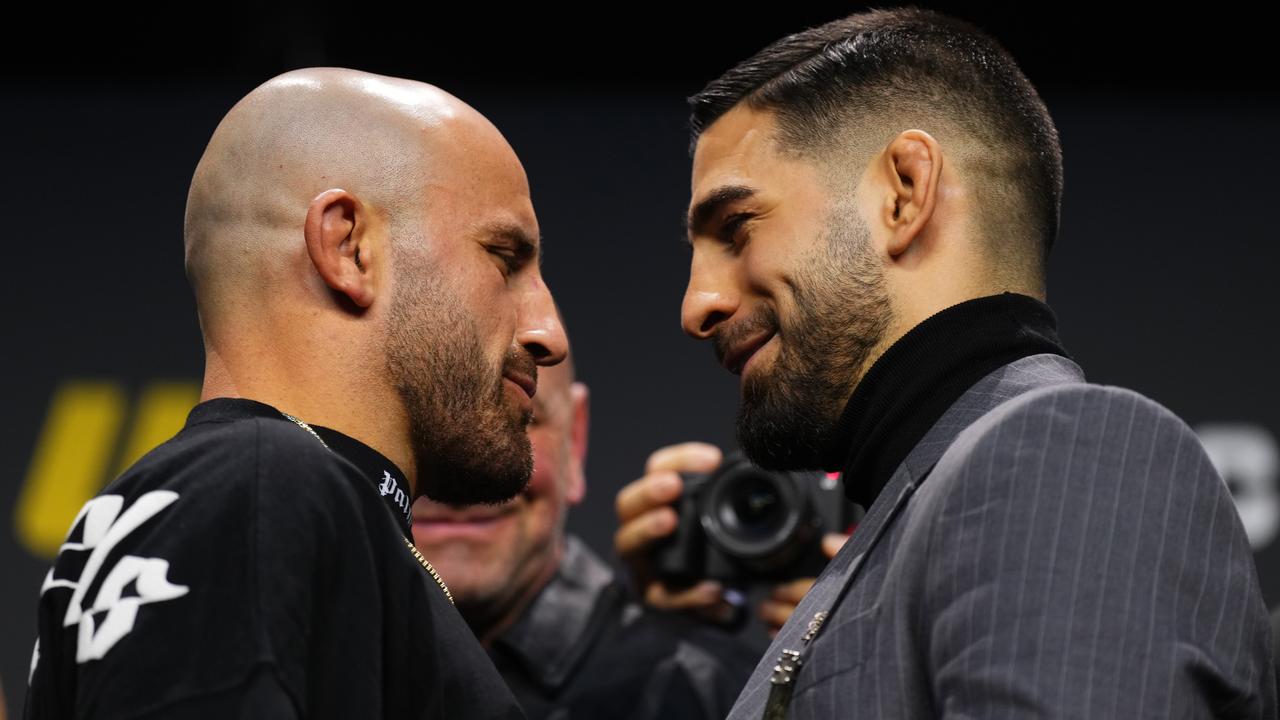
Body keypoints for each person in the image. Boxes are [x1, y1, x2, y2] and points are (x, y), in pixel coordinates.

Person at [615, 8, 1275, 718]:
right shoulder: (912, 514)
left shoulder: (1065, 454)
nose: (697, 305)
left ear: (904, 191)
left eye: (736, 227)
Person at [25, 68, 565, 719]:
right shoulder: (260, 486)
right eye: (504, 257)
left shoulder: (256, 501)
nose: (548, 331)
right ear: (348, 248)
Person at [412, 351, 755, 719]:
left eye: (515, 416)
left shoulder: (716, 690)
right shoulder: (343, 670)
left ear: (574, 438)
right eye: (413, 418)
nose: (464, 474)